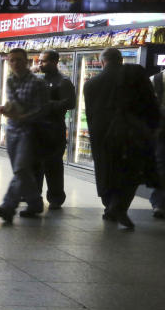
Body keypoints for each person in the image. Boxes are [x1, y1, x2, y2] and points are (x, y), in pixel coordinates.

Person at [84, 48, 160, 229]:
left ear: (102, 62)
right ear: (120, 59)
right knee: (131, 171)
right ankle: (117, 207)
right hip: (132, 133)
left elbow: (90, 114)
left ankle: (110, 207)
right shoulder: (135, 73)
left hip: (102, 135)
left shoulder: (90, 84)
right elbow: (151, 102)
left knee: (106, 171)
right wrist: (154, 128)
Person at [0, 48, 48, 223]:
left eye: (18, 60)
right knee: (23, 172)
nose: (15, 63)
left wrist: (22, 116)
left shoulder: (37, 83)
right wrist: (6, 109)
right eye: (11, 60)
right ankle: (35, 203)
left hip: (29, 130)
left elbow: (42, 109)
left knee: (21, 169)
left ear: (26, 61)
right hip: (12, 129)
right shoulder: (10, 80)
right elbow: (13, 103)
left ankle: (8, 207)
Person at [35, 50, 76, 210]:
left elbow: (71, 103)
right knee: (36, 165)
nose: (40, 64)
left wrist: (48, 104)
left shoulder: (63, 82)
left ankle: (56, 198)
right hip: (37, 130)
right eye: (39, 61)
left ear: (54, 62)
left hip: (54, 131)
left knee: (53, 166)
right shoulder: (38, 80)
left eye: (43, 61)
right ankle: (34, 196)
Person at [151, 69, 165, 219]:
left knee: (161, 166)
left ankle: (159, 203)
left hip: (160, 131)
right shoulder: (156, 80)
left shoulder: (155, 79)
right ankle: (159, 203)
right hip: (161, 132)